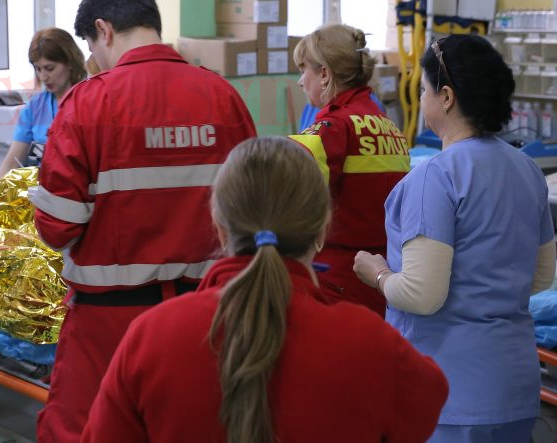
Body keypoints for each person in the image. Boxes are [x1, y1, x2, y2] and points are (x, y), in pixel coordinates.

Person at [83, 137, 449, 442]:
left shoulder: (153, 337)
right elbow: (428, 399)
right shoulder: (369, 342)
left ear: (220, 228)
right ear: (322, 230)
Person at [29, 0, 257, 443]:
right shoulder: (224, 97)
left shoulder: (88, 102)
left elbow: (57, 226)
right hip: (208, 317)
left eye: (92, 45)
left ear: (103, 30)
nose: (95, 58)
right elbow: (254, 210)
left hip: (110, 325)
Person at [354, 34, 557, 442]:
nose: (423, 99)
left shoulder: (436, 176)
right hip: (514, 385)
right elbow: (540, 278)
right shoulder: (526, 169)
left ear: (445, 97)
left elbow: (421, 295)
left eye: (425, 90)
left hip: (451, 394)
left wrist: (376, 273)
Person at [289, 24, 409, 315]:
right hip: (382, 274)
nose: (300, 81)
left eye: (304, 69)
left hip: (336, 279)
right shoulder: (390, 127)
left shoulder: (331, 128)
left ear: (325, 74)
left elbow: (282, 189)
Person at [0, 27, 87, 180]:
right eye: (38, 69)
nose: (43, 77)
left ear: (70, 63)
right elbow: (11, 164)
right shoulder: (35, 107)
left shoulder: (88, 101)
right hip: (40, 193)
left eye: (49, 68)